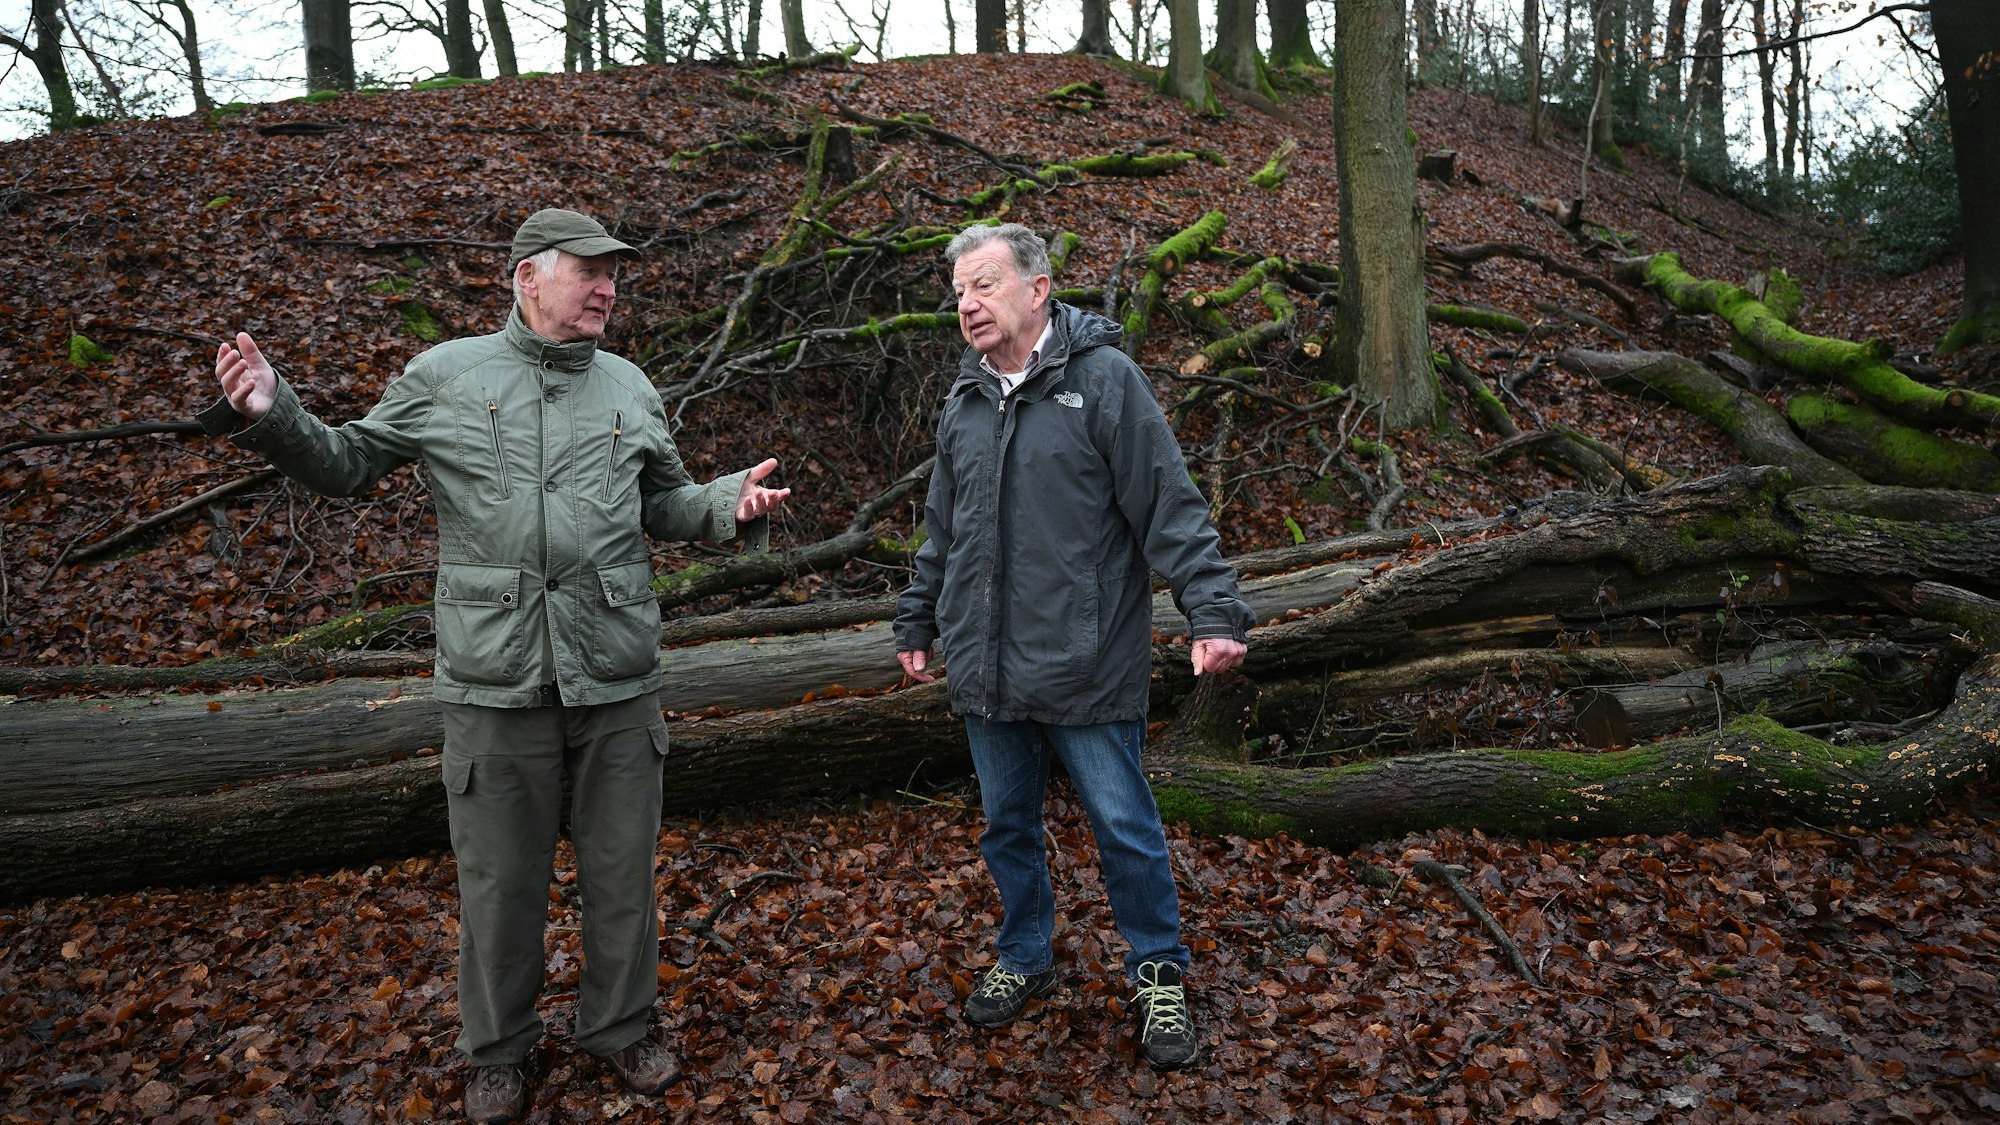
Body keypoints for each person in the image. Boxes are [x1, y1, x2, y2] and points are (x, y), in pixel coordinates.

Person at [200, 209, 791, 1123]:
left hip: (617, 671)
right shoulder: (446, 376)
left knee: (622, 872)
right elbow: (351, 461)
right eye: (588, 271)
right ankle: (499, 1051)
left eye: (613, 274)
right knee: (500, 882)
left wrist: (727, 502)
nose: (606, 288)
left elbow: (663, 502)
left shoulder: (629, 385)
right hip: (494, 675)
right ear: (526, 277)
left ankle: (620, 1026)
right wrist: (275, 414)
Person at [893, 222, 1252, 1070]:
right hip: (986, 666)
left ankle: (1158, 968)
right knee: (1005, 827)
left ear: (1038, 286)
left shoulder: (1105, 382)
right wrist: (918, 619)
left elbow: (1170, 505)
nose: (967, 306)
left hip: (1088, 662)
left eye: (983, 286)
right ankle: (1025, 954)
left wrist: (1213, 612)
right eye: (958, 295)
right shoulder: (965, 401)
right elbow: (941, 531)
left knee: (1124, 827)